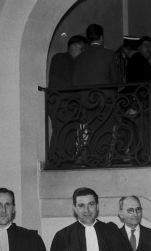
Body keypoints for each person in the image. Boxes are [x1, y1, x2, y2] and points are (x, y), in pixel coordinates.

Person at [73, 24, 121, 165]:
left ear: (88, 38)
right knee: (105, 133)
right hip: (105, 101)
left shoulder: (80, 58)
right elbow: (115, 81)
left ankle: (93, 161)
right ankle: (100, 162)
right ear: (101, 37)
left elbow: (75, 83)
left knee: (92, 132)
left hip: (88, 102)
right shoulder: (109, 55)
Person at [47, 35, 88, 165]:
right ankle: (56, 162)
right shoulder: (60, 58)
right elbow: (55, 80)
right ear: (73, 46)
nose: (82, 52)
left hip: (69, 104)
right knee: (61, 132)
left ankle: (65, 161)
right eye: (81, 49)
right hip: (61, 103)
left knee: (69, 133)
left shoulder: (75, 62)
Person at [124, 35, 151, 163]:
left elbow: (138, 87)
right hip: (142, 105)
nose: (149, 49)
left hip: (140, 105)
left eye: (150, 47)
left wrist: (135, 105)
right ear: (139, 47)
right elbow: (138, 87)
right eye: (146, 46)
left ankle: (139, 159)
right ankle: (140, 159)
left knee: (140, 136)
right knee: (142, 135)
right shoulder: (139, 62)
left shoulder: (137, 61)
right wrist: (136, 105)